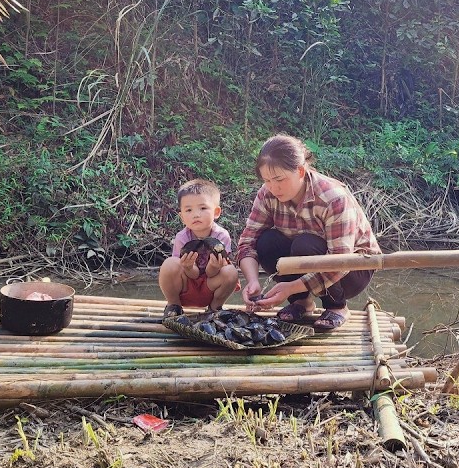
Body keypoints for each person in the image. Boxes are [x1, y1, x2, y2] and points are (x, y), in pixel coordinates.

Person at [237, 134, 379, 331]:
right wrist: (252, 281)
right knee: (267, 241)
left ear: (301, 171)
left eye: (279, 179)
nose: (273, 187)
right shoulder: (266, 193)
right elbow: (248, 242)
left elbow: (341, 260)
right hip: (305, 259)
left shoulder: (332, 198)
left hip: (353, 268)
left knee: (305, 244)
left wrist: (290, 287)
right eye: (267, 180)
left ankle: (337, 306)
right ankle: (301, 303)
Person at [159, 179, 239, 318]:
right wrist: (189, 267)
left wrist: (214, 266)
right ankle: (174, 306)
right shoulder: (181, 237)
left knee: (231, 272)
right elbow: (190, 273)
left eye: (203, 208)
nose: (196, 214)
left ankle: (214, 308)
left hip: (211, 286)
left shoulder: (222, 236)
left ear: (216, 212)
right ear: (182, 216)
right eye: (188, 210)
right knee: (170, 264)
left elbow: (213, 273)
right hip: (186, 287)